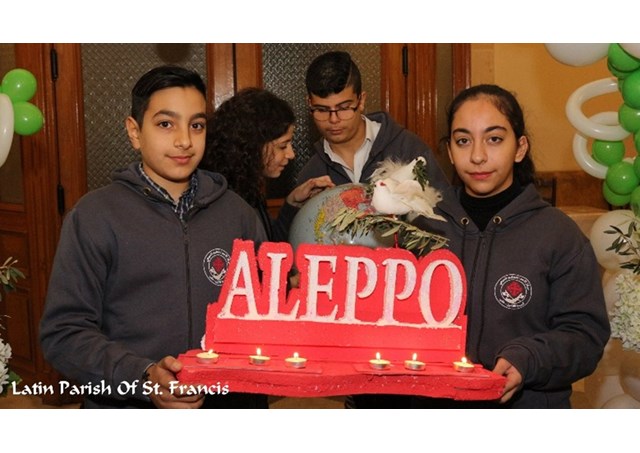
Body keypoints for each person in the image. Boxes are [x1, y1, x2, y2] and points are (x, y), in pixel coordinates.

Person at [39, 65, 269, 409]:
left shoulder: (237, 213)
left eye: (197, 125)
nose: (184, 141)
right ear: (134, 131)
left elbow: (266, 311)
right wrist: (142, 376)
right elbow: (64, 333)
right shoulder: (94, 216)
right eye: (165, 124)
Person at [413, 84, 610, 408]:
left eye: (494, 139)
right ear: (449, 151)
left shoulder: (558, 234)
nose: (477, 156)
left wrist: (529, 359)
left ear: (519, 148)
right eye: (463, 141)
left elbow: (586, 337)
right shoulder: (422, 228)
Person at [296, 50, 449, 194]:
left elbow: (444, 213)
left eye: (344, 108)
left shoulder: (408, 149)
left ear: (361, 100)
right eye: (322, 110)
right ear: (309, 104)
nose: (334, 120)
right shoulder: (311, 175)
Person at [200, 87, 333, 242]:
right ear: (254, 146)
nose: (291, 154)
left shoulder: (248, 188)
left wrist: (291, 202)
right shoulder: (221, 203)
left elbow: (268, 248)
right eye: (282, 146)